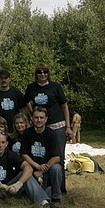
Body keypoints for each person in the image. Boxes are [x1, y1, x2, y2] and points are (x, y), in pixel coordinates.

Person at [0, 132, 54, 208]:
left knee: (26, 174)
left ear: (6, 144)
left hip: (10, 188)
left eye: (3, 142)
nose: (0, 145)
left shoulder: (10, 154)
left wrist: (18, 184)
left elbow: (28, 168)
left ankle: (43, 202)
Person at [24, 62, 72, 191]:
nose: (42, 74)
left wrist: (68, 126)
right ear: (36, 74)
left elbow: (64, 106)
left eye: (45, 72)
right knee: (40, 155)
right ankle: (44, 186)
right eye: (39, 72)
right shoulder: (31, 88)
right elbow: (25, 101)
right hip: (39, 127)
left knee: (57, 158)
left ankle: (59, 189)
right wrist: (32, 113)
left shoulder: (55, 87)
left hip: (56, 126)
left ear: (48, 74)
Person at [21, 106, 63, 206]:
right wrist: (36, 166)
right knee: (25, 171)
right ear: (32, 118)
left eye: (41, 118)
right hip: (32, 166)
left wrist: (42, 170)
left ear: (46, 119)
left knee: (57, 168)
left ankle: (56, 196)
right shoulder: (27, 133)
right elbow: (23, 154)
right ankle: (42, 196)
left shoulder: (52, 134)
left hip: (47, 167)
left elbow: (57, 157)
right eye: (36, 118)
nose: (39, 120)